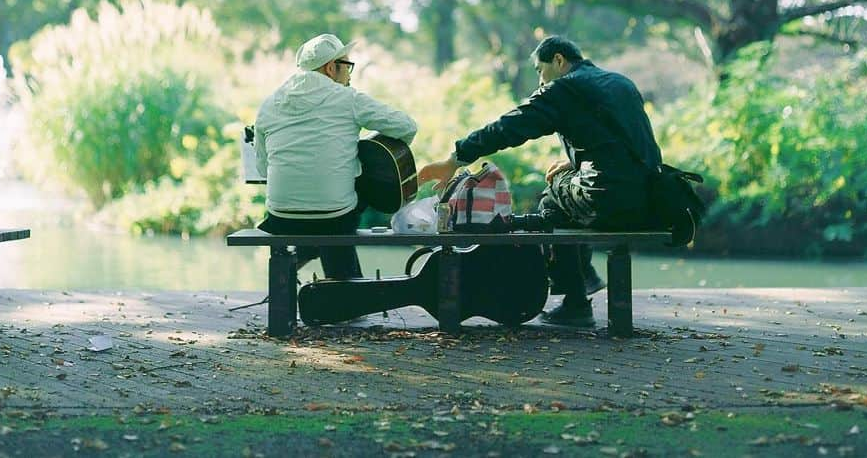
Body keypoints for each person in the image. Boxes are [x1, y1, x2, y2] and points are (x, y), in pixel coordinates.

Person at [419, 35, 661, 327]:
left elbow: (509, 126)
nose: (539, 82)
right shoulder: (619, 82)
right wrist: (574, 164)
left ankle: (576, 301)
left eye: (539, 71)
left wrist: (455, 159)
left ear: (558, 60)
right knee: (568, 189)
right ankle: (584, 279)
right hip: (650, 198)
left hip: (609, 198)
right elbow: (620, 145)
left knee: (551, 201)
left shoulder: (564, 88)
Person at [255, 33, 417, 280]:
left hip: (281, 219)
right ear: (331, 68)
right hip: (335, 219)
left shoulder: (269, 104)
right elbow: (407, 127)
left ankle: (309, 253)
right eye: (347, 66)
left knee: (337, 193)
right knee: (354, 180)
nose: (350, 74)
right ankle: (345, 287)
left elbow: (261, 167)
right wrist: (365, 148)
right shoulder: (348, 98)